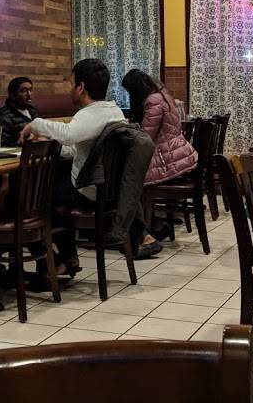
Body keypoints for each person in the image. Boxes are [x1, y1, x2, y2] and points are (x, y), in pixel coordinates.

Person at [20, 59, 125, 269]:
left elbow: (69, 134)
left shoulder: (90, 114)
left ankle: (50, 263)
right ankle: (66, 258)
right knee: (48, 194)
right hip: (108, 190)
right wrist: (54, 146)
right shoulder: (114, 111)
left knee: (29, 198)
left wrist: (35, 124)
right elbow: (78, 147)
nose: (69, 90)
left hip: (89, 189)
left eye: (70, 84)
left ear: (81, 87)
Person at [122, 69, 197, 253]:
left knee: (131, 183)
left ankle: (146, 232)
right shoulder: (162, 95)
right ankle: (157, 225)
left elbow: (146, 137)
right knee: (133, 180)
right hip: (176, 156)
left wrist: (128, 131)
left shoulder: (152, 101)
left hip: (168, 160)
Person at [0, 76, 37, 146]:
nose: (29, 94)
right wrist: (26, 141)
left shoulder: (32, 111)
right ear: (12, 95)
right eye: (24, 91)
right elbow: (0, 147)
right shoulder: (1, 118)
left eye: (30, 90)